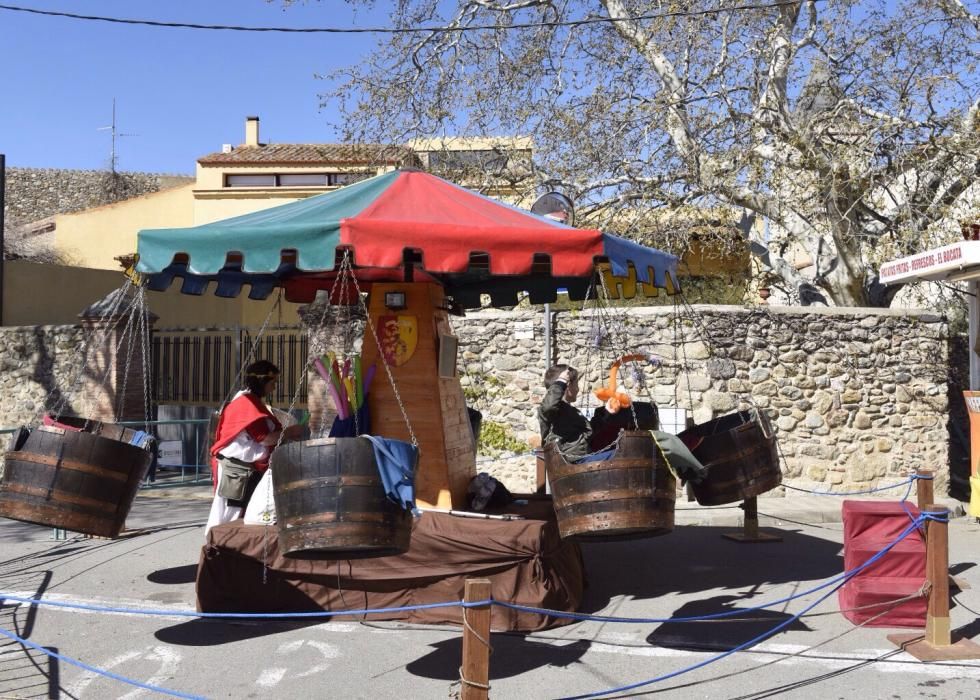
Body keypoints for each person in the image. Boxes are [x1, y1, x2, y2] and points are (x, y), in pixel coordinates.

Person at [205, 360, 304, 535]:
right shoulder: (246, 404)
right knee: (230, 516)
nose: (274, 388)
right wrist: (290, 431)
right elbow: (264, 438)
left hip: (244, 468)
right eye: (272, 383)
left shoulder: (250, 401)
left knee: (241, 514)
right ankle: (221, 549)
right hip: (237, 470)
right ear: (262, 382)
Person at [538, 364, 600, 462]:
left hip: (581, 458)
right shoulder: (551, 411)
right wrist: (561, 381)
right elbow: (549, 406)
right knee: (617, 459)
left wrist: (606, 414)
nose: (578, 389)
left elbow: (587, 435)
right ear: (567, 386)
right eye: (576, 384)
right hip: (570, 461)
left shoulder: (571, 411)